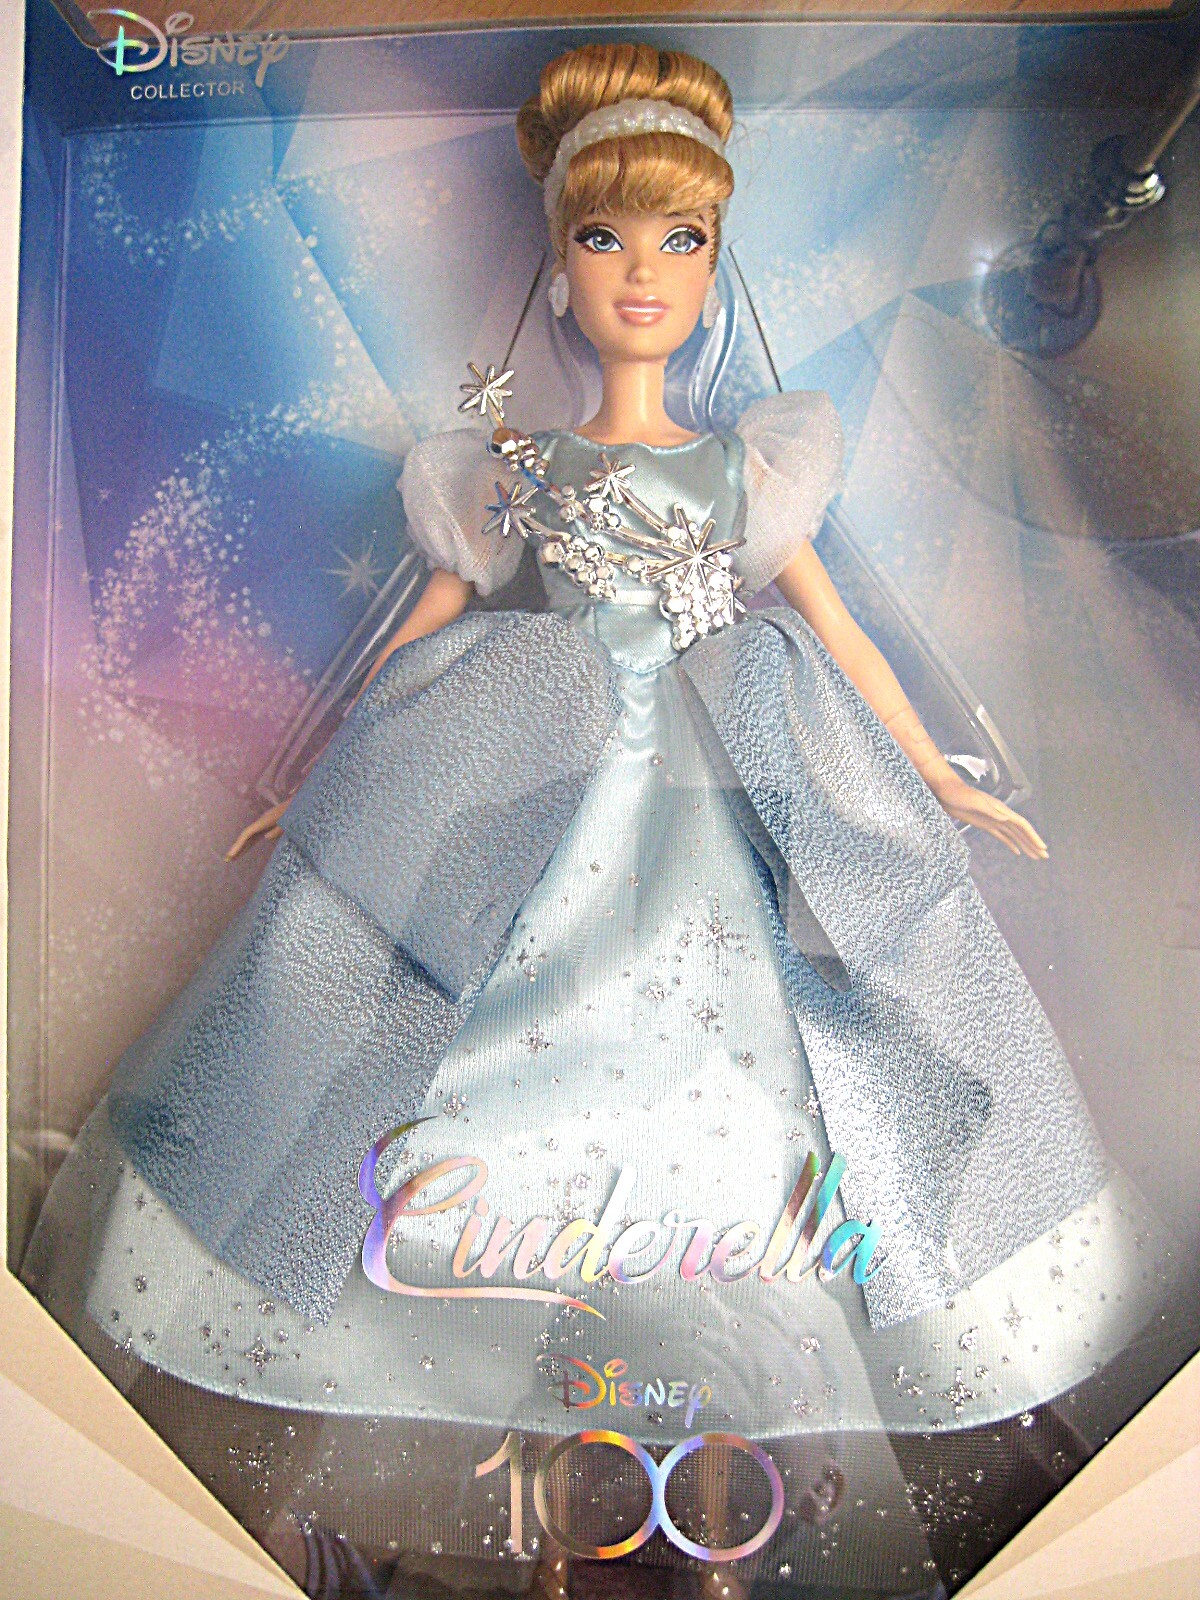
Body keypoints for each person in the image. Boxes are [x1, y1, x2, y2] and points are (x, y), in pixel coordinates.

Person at [22, 41, 1169, 1600]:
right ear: (560, 267)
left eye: (681, 239)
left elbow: (840, 634)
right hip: (530, 782)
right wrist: (319, 784)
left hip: (719, 784)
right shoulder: (519, 468)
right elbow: (423, 628)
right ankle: (532, 1428)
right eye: (607, 237)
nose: (643, 272)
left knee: (769, 1045)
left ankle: (717, 1434)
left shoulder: (750, 466)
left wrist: (940, 776)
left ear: (715, 262)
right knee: (465, 1033)